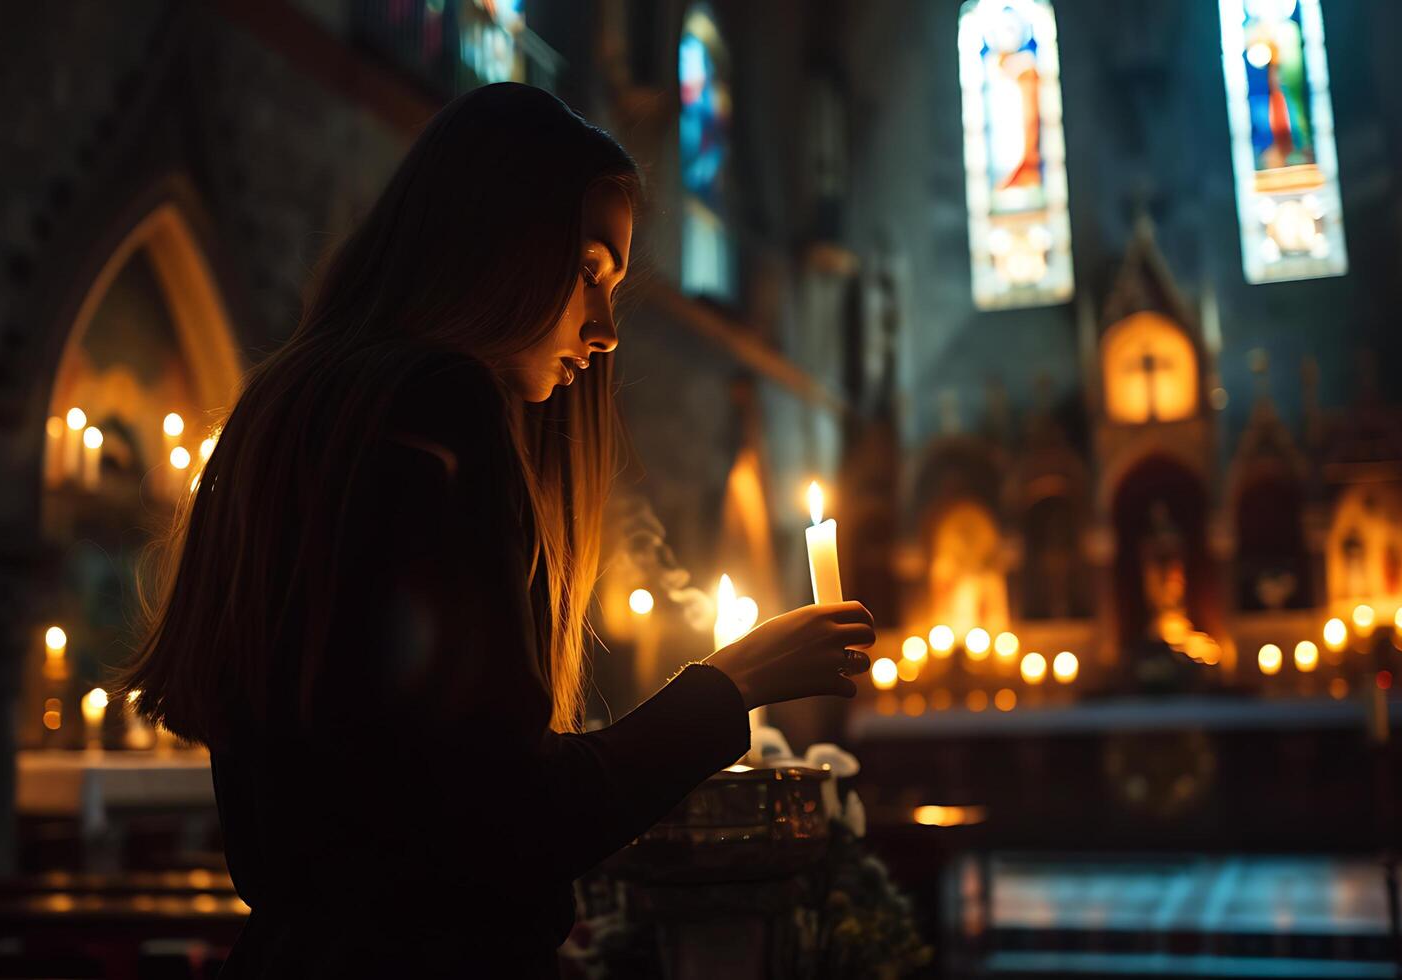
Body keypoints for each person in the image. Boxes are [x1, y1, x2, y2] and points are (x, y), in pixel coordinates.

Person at [118, 83, 874, 977]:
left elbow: (406, 797)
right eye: (588, 271)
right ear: (496, 239)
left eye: (615, 287)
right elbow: (513, 818)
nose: (603, 331)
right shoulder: (439, 405)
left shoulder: (285, 414)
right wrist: (734, 682)